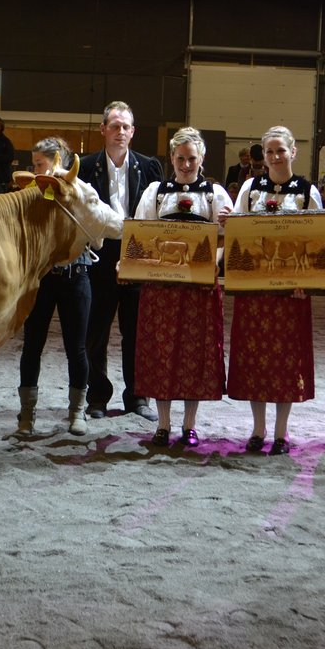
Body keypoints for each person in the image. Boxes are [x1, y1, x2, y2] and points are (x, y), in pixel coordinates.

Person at [132, 126, 234, 447]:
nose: (187, 165)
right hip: (161, 287)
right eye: (180, 159)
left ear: (202, 158)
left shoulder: (215, 195)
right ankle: (163, 425)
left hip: (199, 288)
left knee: (196, 354)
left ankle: (189, 425)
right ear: (171, 158)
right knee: (162, 353)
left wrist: (217, 254)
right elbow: (142, 233)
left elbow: (225, 241)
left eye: (192, 158)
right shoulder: (156, 192)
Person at [227, 126, 323, 455]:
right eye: (270, 151)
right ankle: (258, 429)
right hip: (255, 290)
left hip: (290, 293)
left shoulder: (308, 191)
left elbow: (316, 239)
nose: (275, 156)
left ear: (293, 152)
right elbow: (237, 230)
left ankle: (281, 431)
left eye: (281, 150)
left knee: (286, 361)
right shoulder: (250, 188)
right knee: (255, 358)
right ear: (263, 156)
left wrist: (305, 282)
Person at [79, 101, 164, 420]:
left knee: (137, 332)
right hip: (99, 257)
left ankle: (138, 397)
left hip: (138, 254)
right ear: (103, 129)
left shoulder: (150, 167)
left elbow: (158, 214)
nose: (120, 131)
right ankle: (97, 398)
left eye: (126, 126)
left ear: (133, 131)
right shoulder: (85, 167)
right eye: (114, 126)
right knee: (95, 332)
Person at [17, 137, 95, 436]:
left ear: (57, 161)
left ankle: (77, 412)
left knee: (77, 347)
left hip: (77, 273)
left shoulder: (80, 190)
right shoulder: (31, 192)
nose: (35, 169)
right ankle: (26, 416)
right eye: (34, 163)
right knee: (32, 345)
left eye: (39, 164)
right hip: (42, 277)